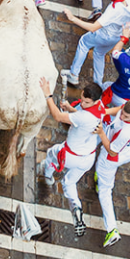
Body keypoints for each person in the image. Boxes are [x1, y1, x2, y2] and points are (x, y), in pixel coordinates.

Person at [40, 78, 108, 236]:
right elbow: (83, 118)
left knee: (51, 155)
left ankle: (48, 176)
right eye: (82, 99)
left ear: (95, 101)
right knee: (69, 183)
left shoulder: (83, 117)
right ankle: (76, 208)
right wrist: (71, 108)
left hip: (70, 154)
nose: (82, 104)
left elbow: (57, 116)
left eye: (86, 102)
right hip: (88, 157)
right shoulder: (100, 108)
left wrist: (48, 95)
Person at [62, 0, 130, 87]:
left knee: (84, 42)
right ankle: (98, 83)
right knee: (99, 54)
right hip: (117, 36)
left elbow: (93, 28)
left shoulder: (113, 9)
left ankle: (74, 74)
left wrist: (72, 18)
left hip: (104, 34)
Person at [94, 98, 130, 247]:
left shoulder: (125, 132)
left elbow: (111, 150)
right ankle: (101, 178)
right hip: (129, 151)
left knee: (105, 190)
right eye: (122, 113)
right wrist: (103, 112)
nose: (122, 117)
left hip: (112, 156)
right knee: (101, 172)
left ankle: (111, 229)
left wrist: (102, 133)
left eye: (126, 117)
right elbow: (120, 108)